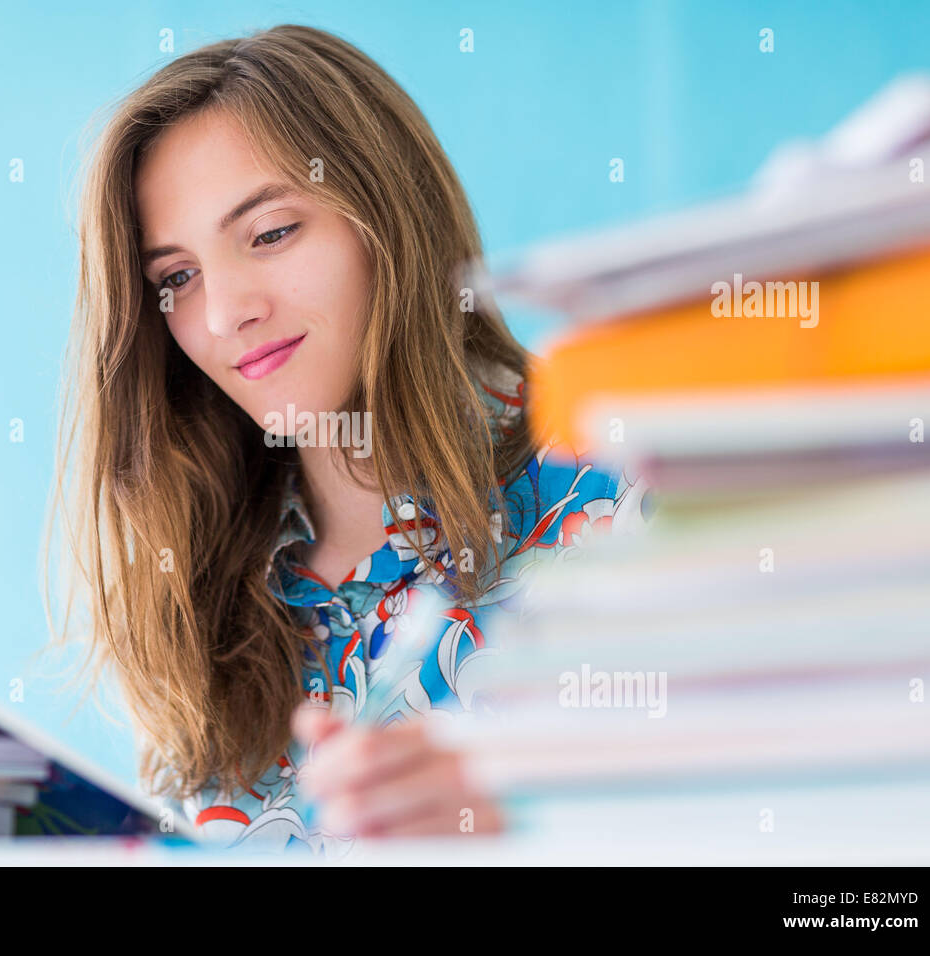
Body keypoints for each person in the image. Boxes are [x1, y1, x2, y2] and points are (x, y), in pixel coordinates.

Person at [50, 23, 649, 855]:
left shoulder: (628, 484)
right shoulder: (212, 599)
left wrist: (527, 824)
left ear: (388, 218)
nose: (225, 314)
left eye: (270, 234)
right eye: (177, 278)